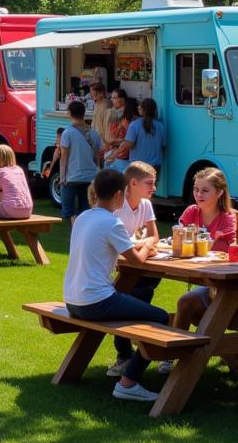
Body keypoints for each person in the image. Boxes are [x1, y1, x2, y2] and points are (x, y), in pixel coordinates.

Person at [63, 169, 165, 402]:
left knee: (139, 295)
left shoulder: (82, 218)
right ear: (120, 194)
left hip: (73, 300)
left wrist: (142, 244)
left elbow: (123, 246)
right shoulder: (112, 223)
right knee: (161, 318)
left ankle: (125, 359)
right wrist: (149, 243)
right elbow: (137, 262)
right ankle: (128, 382)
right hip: (96, 301)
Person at [163, 168, 238, 373]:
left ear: (220, 192)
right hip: (209, 282)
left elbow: (229, 249)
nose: (198, 195)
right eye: (196, 189)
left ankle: (228, 358)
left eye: (205, 190)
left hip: (228, 285)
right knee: (185, 302)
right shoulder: (191, 212)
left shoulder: (229, 217)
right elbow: (177, 239)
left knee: (207, 313)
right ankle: (173, 357)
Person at [105, 161, 160, 377]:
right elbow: (116, 243)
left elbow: (154, 235)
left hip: (137, 259)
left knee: (146, 287)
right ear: (133, 183)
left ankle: (128, 354)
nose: (154, 188)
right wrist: (143, 244)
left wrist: (142, 243)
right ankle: (126, 355)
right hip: (120, 263)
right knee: (136, 294)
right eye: (150, 183)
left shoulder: (145, 204)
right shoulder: (118, 205)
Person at [58, 100, 101, 223]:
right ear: (84, 113)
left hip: (72, 177)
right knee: (86, 211)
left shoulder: (67, 133)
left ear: (70, 114)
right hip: (90, 177)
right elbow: (97, 157)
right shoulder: (94, 133)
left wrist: (62, 177)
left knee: (70, 213)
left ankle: (76, 236)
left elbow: (64, 157)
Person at [112, 97, 167, 173]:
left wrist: (115, 153)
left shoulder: (134, 125)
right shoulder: (161, 126)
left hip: (138, 167)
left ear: (142, 110)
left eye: (139, 106)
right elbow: (163, 146)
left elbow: (129, 144)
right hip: (155, 166)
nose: (138, 108)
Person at [89, 82, 113, 149]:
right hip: (96, 136)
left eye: (93, 93)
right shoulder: (97, 103)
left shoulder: (106, 104)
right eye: (90, 93)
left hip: (103, 139)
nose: (91, 95)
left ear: (101, 93)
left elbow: (107, 124)